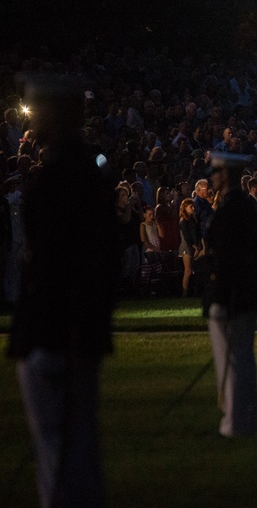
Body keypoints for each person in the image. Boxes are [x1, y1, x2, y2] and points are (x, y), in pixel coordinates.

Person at [8, 77, 119, 507]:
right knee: (79, 445)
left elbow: (60, 262)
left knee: (57, 450)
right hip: (77, 328)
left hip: (53, 327)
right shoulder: (90, 175)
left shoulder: (58, 178)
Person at [203, 151, 257, 438]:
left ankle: (235, 423)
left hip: (230, 294)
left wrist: (223, 295)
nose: (212, 178)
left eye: (215, 173)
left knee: (232, 361)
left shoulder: (229, 209)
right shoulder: (250, 207)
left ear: (225, 174)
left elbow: (224, 258)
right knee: (244, 358)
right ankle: (246, 419)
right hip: (247, 291)